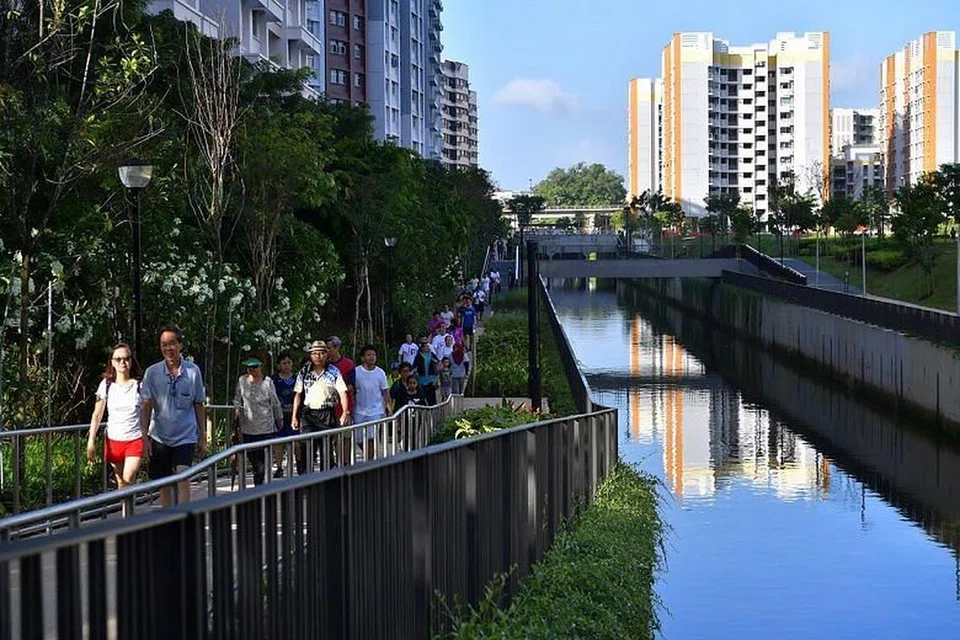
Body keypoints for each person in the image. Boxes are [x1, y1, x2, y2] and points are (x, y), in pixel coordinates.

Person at [140, 326, 206, 507]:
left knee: (183, 475)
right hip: (160, 436)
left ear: (180, 345)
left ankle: (183, 516)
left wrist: (202, 436)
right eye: (164, 344)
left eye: (172, 343)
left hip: (186, 435)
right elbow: (146, 405)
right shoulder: (152, 372)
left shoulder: (193, 371)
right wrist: (144, 436)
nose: (168, 348)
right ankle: (168, 517)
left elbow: (199, 404)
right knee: (165, 483)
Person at [86, 343, 146, 508]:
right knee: (121, 482)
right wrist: (91, 440)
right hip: (114, 440)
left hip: (134, 439)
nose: (122, 362)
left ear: (131, 361)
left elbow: (147, 413)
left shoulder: (140, 385)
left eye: (126, 359)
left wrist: (147, 437)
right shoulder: (106, 385)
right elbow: (97, 414)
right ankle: (127, 514)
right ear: (112, 362)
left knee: (128, 478)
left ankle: (127, 518)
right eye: (118, 359)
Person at [291, 340, 350, 474]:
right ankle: (307, 478)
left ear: (327, 354)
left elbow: (342, 392)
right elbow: (298, 394)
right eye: (315, 353)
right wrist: (294, 416)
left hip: (327, 413)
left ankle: (326, 478)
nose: (318, 356)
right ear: (311, 355)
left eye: (322, 353)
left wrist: (345, 412)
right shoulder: (304, 372)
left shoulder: (334, 372)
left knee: (326, 448)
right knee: (306, 447)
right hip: (308, 413)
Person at [233, 356, 283, 486]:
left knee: (262, 464)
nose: (251, 370)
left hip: (265, 428)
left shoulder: (268, 382)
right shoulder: (242, 380)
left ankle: (260, 487)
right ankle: (259, 485)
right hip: (248, 428)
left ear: (261, 367)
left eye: (254, 367)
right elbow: (237, 399)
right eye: (249, 367)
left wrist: (279, 419)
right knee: (254, 461)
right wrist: (237, 412)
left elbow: (275, 403)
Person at [352, 345, 390, 461]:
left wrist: (389, 408)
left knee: (371, 437)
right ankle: (368, 454)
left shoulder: (380, 372)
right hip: (359, 410)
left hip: (375, 410)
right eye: (368, 355)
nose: (371, 357)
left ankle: (369, 461)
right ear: (362, 357)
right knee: (359, 438)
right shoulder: (356, 372)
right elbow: (352, 390)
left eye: (373, 355)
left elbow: (385, 391)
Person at [271, 352, 297, 477]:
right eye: (283, 363)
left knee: (294, 441)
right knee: (278, 441)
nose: (286, 365)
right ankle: (279, 467)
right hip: (278, 415)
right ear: (278, 365)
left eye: (288, 363)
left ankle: (292, 465)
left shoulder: (297, 378)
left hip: (293, 414)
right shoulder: (273, 380)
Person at [327, 335, 355, 424]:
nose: (327, 351)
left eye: (329, 348)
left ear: (337, 348)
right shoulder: (325, 365)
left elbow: (351, 386)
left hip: (344, 405)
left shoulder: (348, 364)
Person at [412, 338, 439, 405]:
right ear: (422, 348)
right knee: (423, 395)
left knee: (432, 396)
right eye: (426, 347)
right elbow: (414, 366)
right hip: (422, 378)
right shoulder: (419, 356)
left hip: (431, 378)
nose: (427, 348)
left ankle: (432, 407)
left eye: (428, 346)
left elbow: (437, 362)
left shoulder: (432, 354)